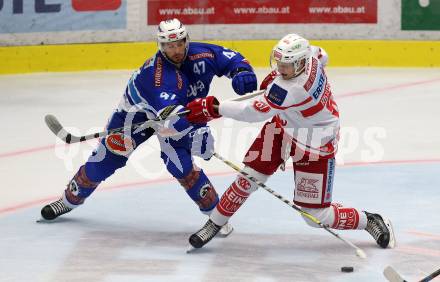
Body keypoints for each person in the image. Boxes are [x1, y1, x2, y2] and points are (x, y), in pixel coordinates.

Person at [40, 18, 257, 232]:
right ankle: (68, 200)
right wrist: (196, 136)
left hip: (178, 112)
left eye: (180, 43)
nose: (176, 50)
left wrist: (241, 72)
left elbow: (230, 58)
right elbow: (174, 121)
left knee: (179, 163)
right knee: (105, 160)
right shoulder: (157, 77)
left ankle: (215, 215)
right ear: (161, 46)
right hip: (135, 115)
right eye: (170, 46)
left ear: (186, 40)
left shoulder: (202, 54)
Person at [184, 34, 396, 250]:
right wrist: (280, 74)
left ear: (301, 63)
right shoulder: (310, 57)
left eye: (287, 65)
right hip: (283, 127)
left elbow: (252, 112)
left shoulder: (292, 88)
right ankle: (215, 223)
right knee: (247, 179)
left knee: (315, 215)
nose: (281, 69)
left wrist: (214, 108)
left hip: (314, 143)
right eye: (279, 64)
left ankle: (369, 220)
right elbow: (323, 54)